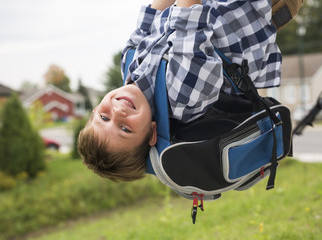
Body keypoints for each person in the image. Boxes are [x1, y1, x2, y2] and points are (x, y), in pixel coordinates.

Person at [78, 0, 301, 182]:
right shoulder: (181, 97)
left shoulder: (130, 63)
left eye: (104, 117)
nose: (117, 113)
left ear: (96, 108)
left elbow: (155, 12)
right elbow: (189, 17)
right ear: (152, 133)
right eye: (125, 129)